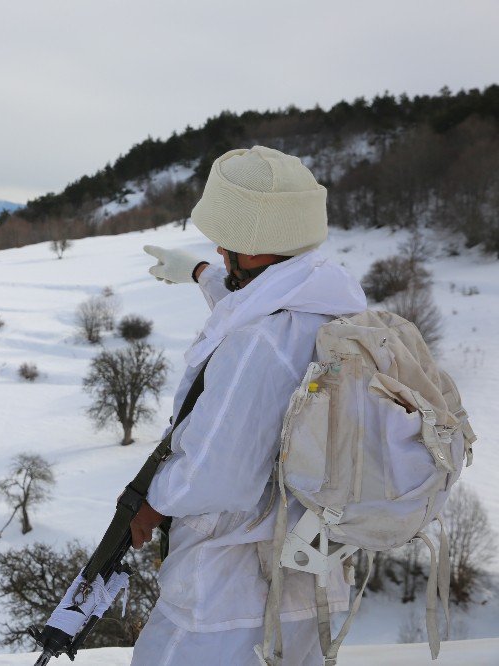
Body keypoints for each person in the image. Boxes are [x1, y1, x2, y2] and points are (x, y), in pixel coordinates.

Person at [131, 146, 368, 665]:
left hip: (226, 600)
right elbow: (257, 309)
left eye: (228, 243)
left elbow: (214, 477)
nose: (219, 251)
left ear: (255, 244)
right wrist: (198, 274)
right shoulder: (329, 306)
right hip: (307, 584)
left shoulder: (262, 344)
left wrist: (150, 503)